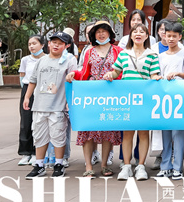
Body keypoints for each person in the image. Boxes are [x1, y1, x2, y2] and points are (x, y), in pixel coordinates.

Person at [102, 23, 162, 181]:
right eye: (135, 31)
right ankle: (127, 166)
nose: (138, 34)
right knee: (127, 133)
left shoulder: (152, 55)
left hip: (145, 99)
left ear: (147, 36)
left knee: (143, 133)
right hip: (127, 99)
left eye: (142, 32)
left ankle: (141, 166)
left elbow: (154, 74)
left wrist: (156, 77)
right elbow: (116, 71)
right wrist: (110, 74)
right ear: (131, 36)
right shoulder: (123, 54)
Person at [68, 21, 123, 178]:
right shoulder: (89, 51)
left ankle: (104, 165)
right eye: (98, 31)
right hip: (91, 95)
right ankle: (89, 166)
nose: (101, 34)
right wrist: (74, 74)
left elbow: (122, 72)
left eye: (104, 31)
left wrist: (113, 76)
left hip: (111, 94)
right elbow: (85, 72)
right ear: (93, 35)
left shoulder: (118, 51)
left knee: (107, 130)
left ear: (110, 33)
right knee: (88, 130)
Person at [23, 31, 79, 178]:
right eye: (54, 42)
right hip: (40, 105)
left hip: (58, 106)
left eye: (60, 43)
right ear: (48, 43)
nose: (56, 45)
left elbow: (75, 78)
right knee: (39, 136)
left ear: (66, 46)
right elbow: (33, 80)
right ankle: (39, 165)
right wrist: (27, 97)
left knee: (58, 136)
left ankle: (59, 164)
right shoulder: (41, 61)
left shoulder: (69, 60)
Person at [158, 21, 184, 179]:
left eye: (174, 36)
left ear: (179, 37)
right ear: (164, 35)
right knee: (166, 133)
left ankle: (177, 167)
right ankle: (165, 166)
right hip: (164, 97)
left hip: (180, 97)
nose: (170, 39)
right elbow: (158, 74)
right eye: (168, 35)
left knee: (178, 133)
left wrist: (178, 74)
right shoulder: (161, 56)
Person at [17, 35, 45, 165]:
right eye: (29, 44)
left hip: (42, 90)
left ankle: (36, 153)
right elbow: (22, 76)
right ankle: (25, 153)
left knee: (39, 123)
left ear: (42, 45)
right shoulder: (25, 60)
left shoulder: (47, 59)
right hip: (27, 90)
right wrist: (25, 93)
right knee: (25, 122)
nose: (31, 46)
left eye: (34, 43)